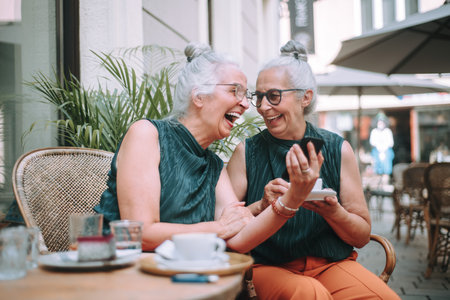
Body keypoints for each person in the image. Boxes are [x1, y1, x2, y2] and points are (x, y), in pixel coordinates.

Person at [94, 42, 319, 253]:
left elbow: (239, 238)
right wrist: (218, 228)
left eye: (245, 94)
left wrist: (290, 200)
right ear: (199, 96)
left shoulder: (213, 165)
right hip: (123, 272)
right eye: (234, 91)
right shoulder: (147, 135)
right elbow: (140, 233)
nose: (245, 104)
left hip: (182, 278)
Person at [227, 40, 400, 299]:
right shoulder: (246, 152)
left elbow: (362, 236)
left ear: (305, 97)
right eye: (259, 97)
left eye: (273, 96)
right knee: (310, 294)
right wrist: (262, 205)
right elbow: (225, 227)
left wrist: (334, 212)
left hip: (332, 264)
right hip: (267, 266)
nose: (262, 107)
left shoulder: (336, 149)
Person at [369, 113, 395, 183]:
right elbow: (372, 142)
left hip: (386, 152)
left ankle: (385, 183)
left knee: (386, 170)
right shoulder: (374, 132)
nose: (380, 124)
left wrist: (384, 150)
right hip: (376, 152)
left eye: (382, 123)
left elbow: (391, 143)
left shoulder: (388, 131)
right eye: (379, 123)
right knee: (377, 170)